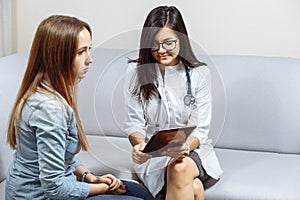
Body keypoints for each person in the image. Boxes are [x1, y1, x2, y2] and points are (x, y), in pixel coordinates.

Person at [5, 15, 148, 200]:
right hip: (36, 196)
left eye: (89, 49)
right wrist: (102, 188)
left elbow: (63, 157)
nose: (90, 60)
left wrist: (91, 178)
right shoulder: (49, 109)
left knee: (139, 191)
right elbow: (55, 188)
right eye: (81, 52)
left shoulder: (54, 91)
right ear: (58, 57)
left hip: (56, 185)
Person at [124, 6, 223, 200]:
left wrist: (185, 146)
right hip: (153, 156)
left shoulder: (199, 74)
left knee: (179, 167)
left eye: (168, 43)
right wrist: (139, 146)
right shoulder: (134, 72)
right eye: (154, 44)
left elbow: (201, 131)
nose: (161, 50)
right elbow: (134, 123)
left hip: (192, 151)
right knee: (193, 188)